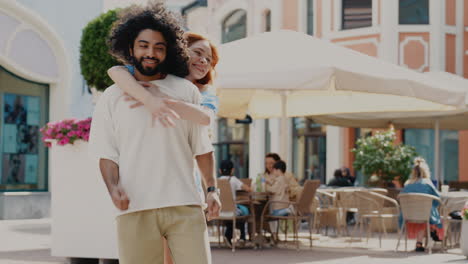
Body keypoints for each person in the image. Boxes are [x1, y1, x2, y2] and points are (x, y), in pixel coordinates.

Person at [89, 4, 221, 264]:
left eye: (159, 47)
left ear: (168, 50)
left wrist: (212, 189)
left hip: (185, 205)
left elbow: (202, 148)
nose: (151, 53)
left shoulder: (186, 91)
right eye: (144, 45)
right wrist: (113, 188)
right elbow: (106, 153)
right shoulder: (112, 96)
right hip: (135, 208)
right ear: (130, 48)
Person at [400, 157, 443, 252]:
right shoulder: (427, 183)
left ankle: (420, 242)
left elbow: (401, 198)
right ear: (425, 171)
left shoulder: (407, 184)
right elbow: (437, 200)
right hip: (424, 215)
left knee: (424, 212)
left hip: (407, 215)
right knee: (432, 212)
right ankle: (433, 231)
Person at [218, 160, 251, 247]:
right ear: (232, 170)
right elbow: (248, 189)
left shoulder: (217, 181)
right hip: (232, 211)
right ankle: (242, 238)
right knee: (244, 213)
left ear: (220, 171)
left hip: (219, 211)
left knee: (234, 214)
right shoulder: (233, 179)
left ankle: (228, 236)